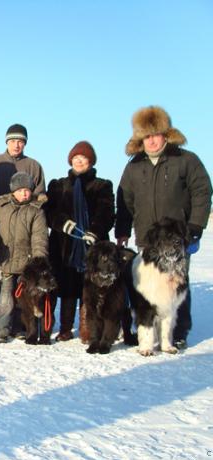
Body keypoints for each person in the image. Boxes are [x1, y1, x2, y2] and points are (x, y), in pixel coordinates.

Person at [115, 106, 212, 348]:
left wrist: (196, 225)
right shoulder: (134, 165)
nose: (152, 140)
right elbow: (125, 199)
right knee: (147, 287)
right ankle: (148, 331)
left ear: (166, 135)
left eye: (156, 134)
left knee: (176, 283)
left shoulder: (185, 160)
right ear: (140, 139)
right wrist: (123, 230)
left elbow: (202, 191)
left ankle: (177, 332)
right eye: (146, 136)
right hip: (148, 237)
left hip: (179, 236)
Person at [46, 141, 115, 341]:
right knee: (67, 286)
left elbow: (107, 212)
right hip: (64, 246)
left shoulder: (102, 185)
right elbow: (49, 212)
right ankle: (66, 327)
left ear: (90, 162)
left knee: (90, 287)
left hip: (93, 246)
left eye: (83, 159)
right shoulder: (58, 185)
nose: (79, 161)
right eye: (76, 158)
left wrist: (95, 230)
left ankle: (87, 327)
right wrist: (61, 223)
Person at [0, 172, 48, 342]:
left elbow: (39, 237)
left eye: (27, 190)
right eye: (20, 190)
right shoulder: (0, 207)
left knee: (23, 299)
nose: (24, 193)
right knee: (5, 298)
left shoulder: (36, 211)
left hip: (27, 263)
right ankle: (2, 329)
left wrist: (38, 261)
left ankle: (19, 328)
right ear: (13, 190)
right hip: (6, 261)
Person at [0, 123, 46, 198]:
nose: (16, 145)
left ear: (25, 144)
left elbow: (39, 194)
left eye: (20, 142)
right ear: (7, 142)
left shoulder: (34, 166)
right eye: (12, 141)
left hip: (26, 209)